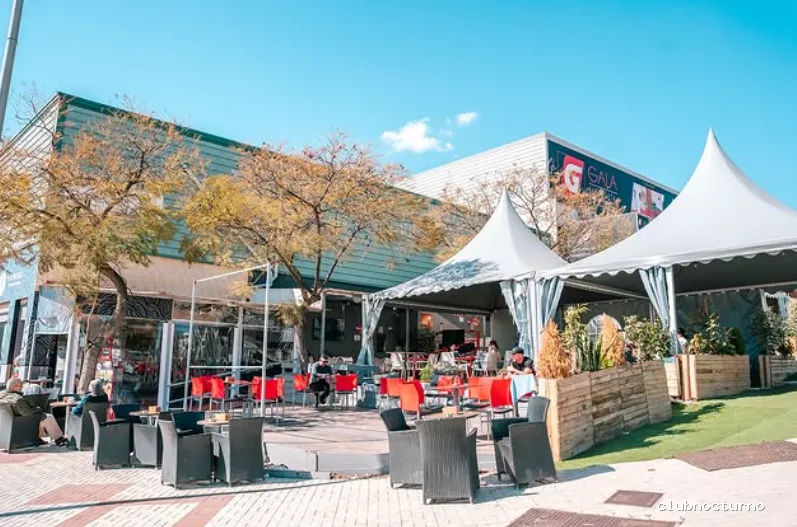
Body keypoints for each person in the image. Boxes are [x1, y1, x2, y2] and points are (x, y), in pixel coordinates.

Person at [0, 378, 68, 446]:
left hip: (6, 420)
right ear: (14, 386)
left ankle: (38, 438)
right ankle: (58, 438)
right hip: (19, 421)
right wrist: (38, 409)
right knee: (46, 416)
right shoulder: (18, 399)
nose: (22, 387)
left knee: (41, 417)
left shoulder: (1, 394)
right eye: (20, 386)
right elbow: (27, 412)